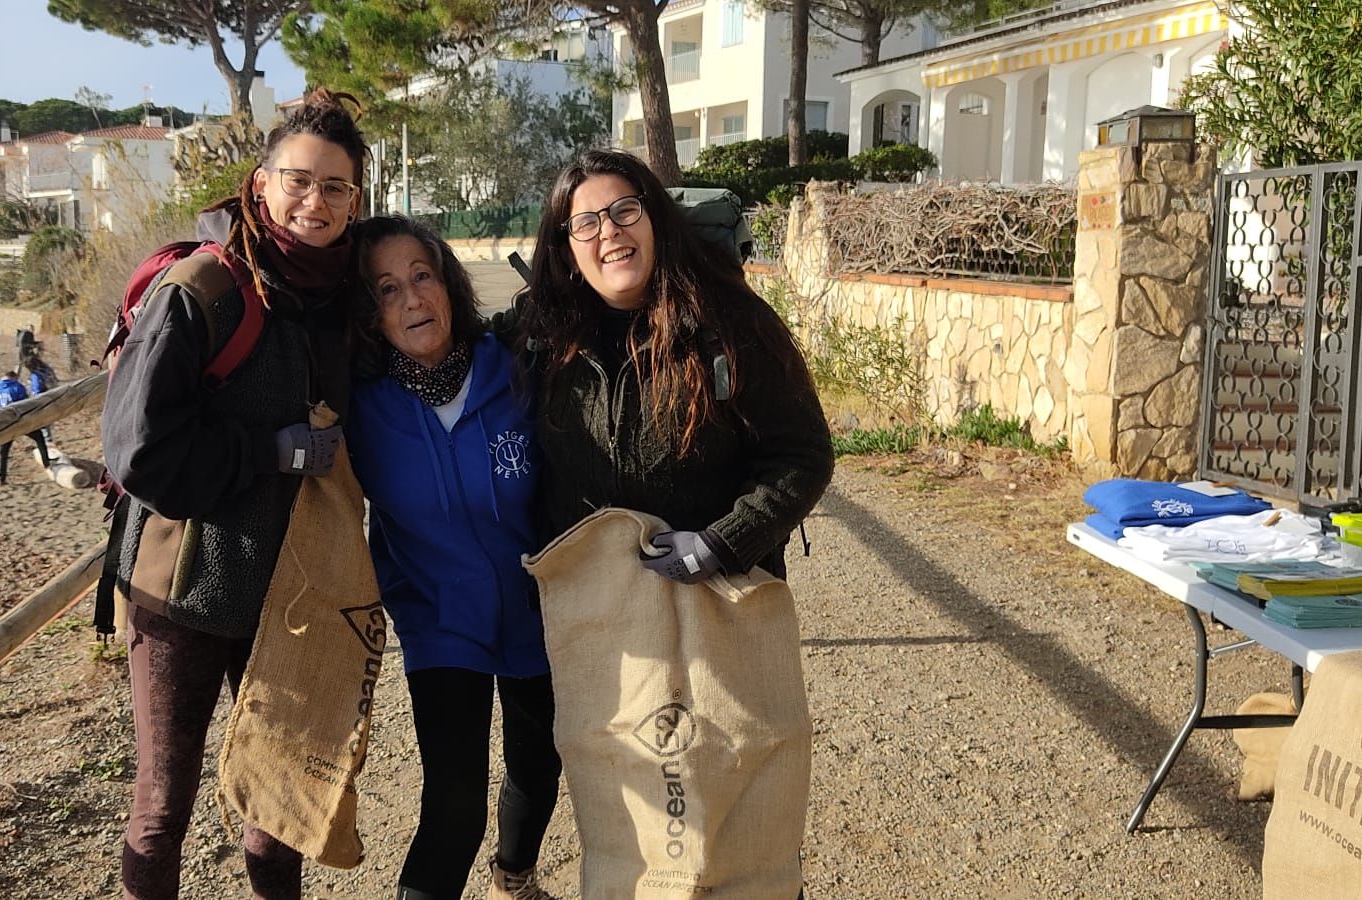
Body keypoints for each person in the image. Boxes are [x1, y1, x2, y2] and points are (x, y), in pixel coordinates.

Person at [516, 150, 833, 886]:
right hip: (600, 619)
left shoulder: (729, 323)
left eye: (625, 210)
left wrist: (724, 541)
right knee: (625, 793)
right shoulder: (540, 335)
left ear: (654, 218)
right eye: (585, 222)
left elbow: (802, 454)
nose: (609, 233)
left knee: (725, 775)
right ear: (565, 245)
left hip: (717, 607)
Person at [100, 87, 369, 900]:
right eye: (297, 180)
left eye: (334, 187)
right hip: (182, 590)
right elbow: (138, 449)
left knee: (278, 812)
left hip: (289, 596)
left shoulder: (341, 301)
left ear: (357, 199)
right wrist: (271, 451)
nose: (313, 202)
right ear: (260, 183)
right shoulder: (202, 290)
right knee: (161, 808)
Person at [343, 217, 560, 900]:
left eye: (422, 276)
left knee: (538, 766)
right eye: (386, 289)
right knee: (455, 804)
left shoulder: (515, 368)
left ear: (447, 283)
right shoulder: (358, 407)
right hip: (440, 619)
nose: (411, 299)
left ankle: (515, 875)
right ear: (367, 313)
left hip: (537, 610)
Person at [0, 369, 53, 484]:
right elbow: (24, 404)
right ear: (14, 378)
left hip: (2, 424)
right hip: (19, 422)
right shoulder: (17, 387)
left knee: (3, 451)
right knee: (40, 438)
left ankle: (1, 478)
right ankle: (47, 464)